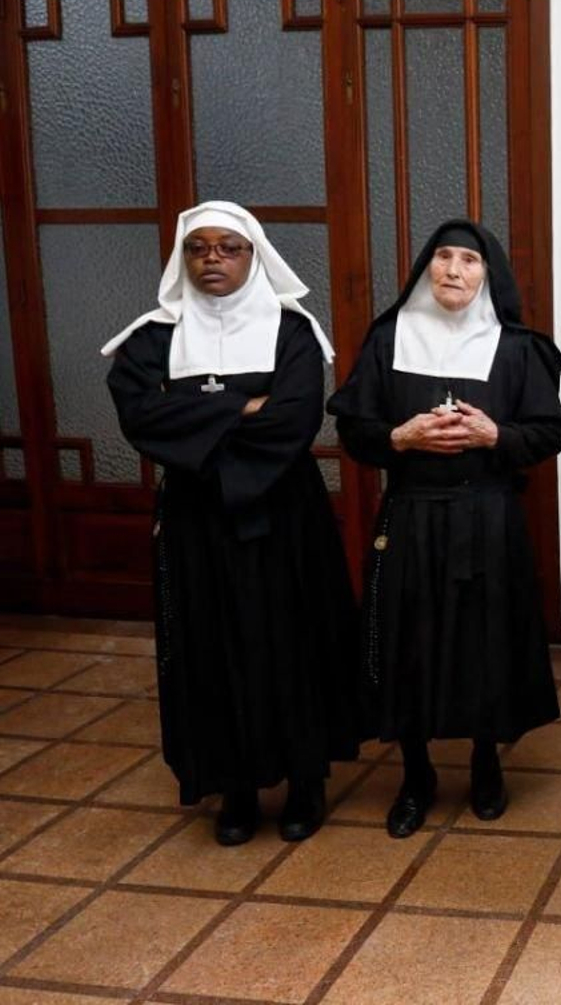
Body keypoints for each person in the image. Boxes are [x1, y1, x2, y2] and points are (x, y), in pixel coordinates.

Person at [103, 200, 359, 846]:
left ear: (255, 255)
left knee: (290, 642)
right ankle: (236, 788)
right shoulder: (153, 338)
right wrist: (241, 405)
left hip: (281, 513)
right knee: (209, 645)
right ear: (182, 259)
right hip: (197, 519)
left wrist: (189, 409)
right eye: (199, 248)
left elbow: (294, 419)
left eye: (228, 247)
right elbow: (139, 418)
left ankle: (304, 781)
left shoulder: (291, 331)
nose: (212, 259)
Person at [328, 219, 561, 837]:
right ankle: (416, 775)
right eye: (442, 258)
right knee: (407, 641)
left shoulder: (518, 347)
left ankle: (486, 763)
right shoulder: (389, 338)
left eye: (469, 260)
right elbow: (354, 431)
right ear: (425, 269)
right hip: (411, 512)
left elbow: (547, 431)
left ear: (488, 274)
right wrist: (397, 437)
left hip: (487, 514)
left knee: (484, 641)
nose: (454, 271)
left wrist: (498, 435)